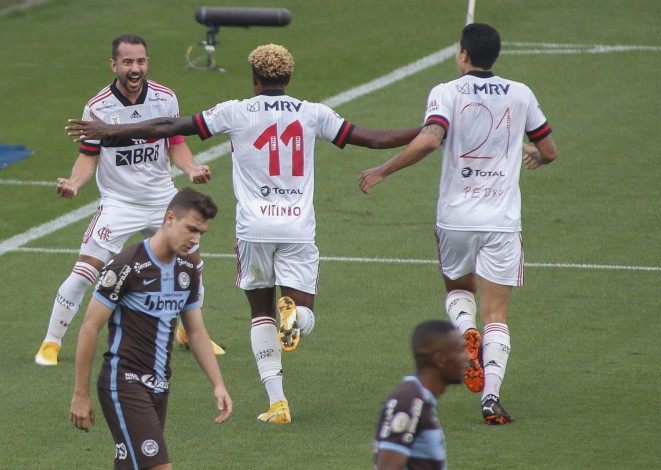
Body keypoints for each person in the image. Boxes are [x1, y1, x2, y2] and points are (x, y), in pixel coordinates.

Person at [66, 43, 420, 424]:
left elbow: (168, 127)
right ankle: (295, 317)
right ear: (288, 78)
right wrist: (427, 130)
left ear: (254, 79)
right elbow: (373, 138)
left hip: (253, 228)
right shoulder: (314, 113)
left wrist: (111, 129)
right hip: (297, 227)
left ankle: (277, 403)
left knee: (259, 313)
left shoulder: (234, 111)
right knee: (304, 313)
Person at [360, 23, 558, 425]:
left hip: (456, 219)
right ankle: (490, 398)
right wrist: (537, 156)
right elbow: (549, 149)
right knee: (498, 314)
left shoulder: (446, 92)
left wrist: (384, 169)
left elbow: (431, 139)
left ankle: (466, 336)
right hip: (502, 221)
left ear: (463, 54)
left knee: (457, 289)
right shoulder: (522, 93)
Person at [35, 34, 223, 366]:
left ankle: (190, 332)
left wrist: (191, 168)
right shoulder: (98, 107)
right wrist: (75, 183)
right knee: (85, 270)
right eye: (128, 62)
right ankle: (52, 341)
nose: (135, 69)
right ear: (114, 65)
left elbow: (175, 143)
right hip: (119, 203)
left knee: (192, 265)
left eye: (141, 61)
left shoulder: (165, 99)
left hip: (163, 199)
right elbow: (88, 156)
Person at [69, 187, 232, 469]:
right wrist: (80, 395)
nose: (194, 239)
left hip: (159, 385)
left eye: (201, 233)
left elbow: (195, 331)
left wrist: (218, 384)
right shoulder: (125, 266)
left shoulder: (187, 271)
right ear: (170, 218)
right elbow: (89, 328)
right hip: (124, 383)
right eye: (191, 229)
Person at [373, 320, 468, 469]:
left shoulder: (419, 399)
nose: (468, 357)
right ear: (440, 360)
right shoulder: (408, 400)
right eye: (461, 350)